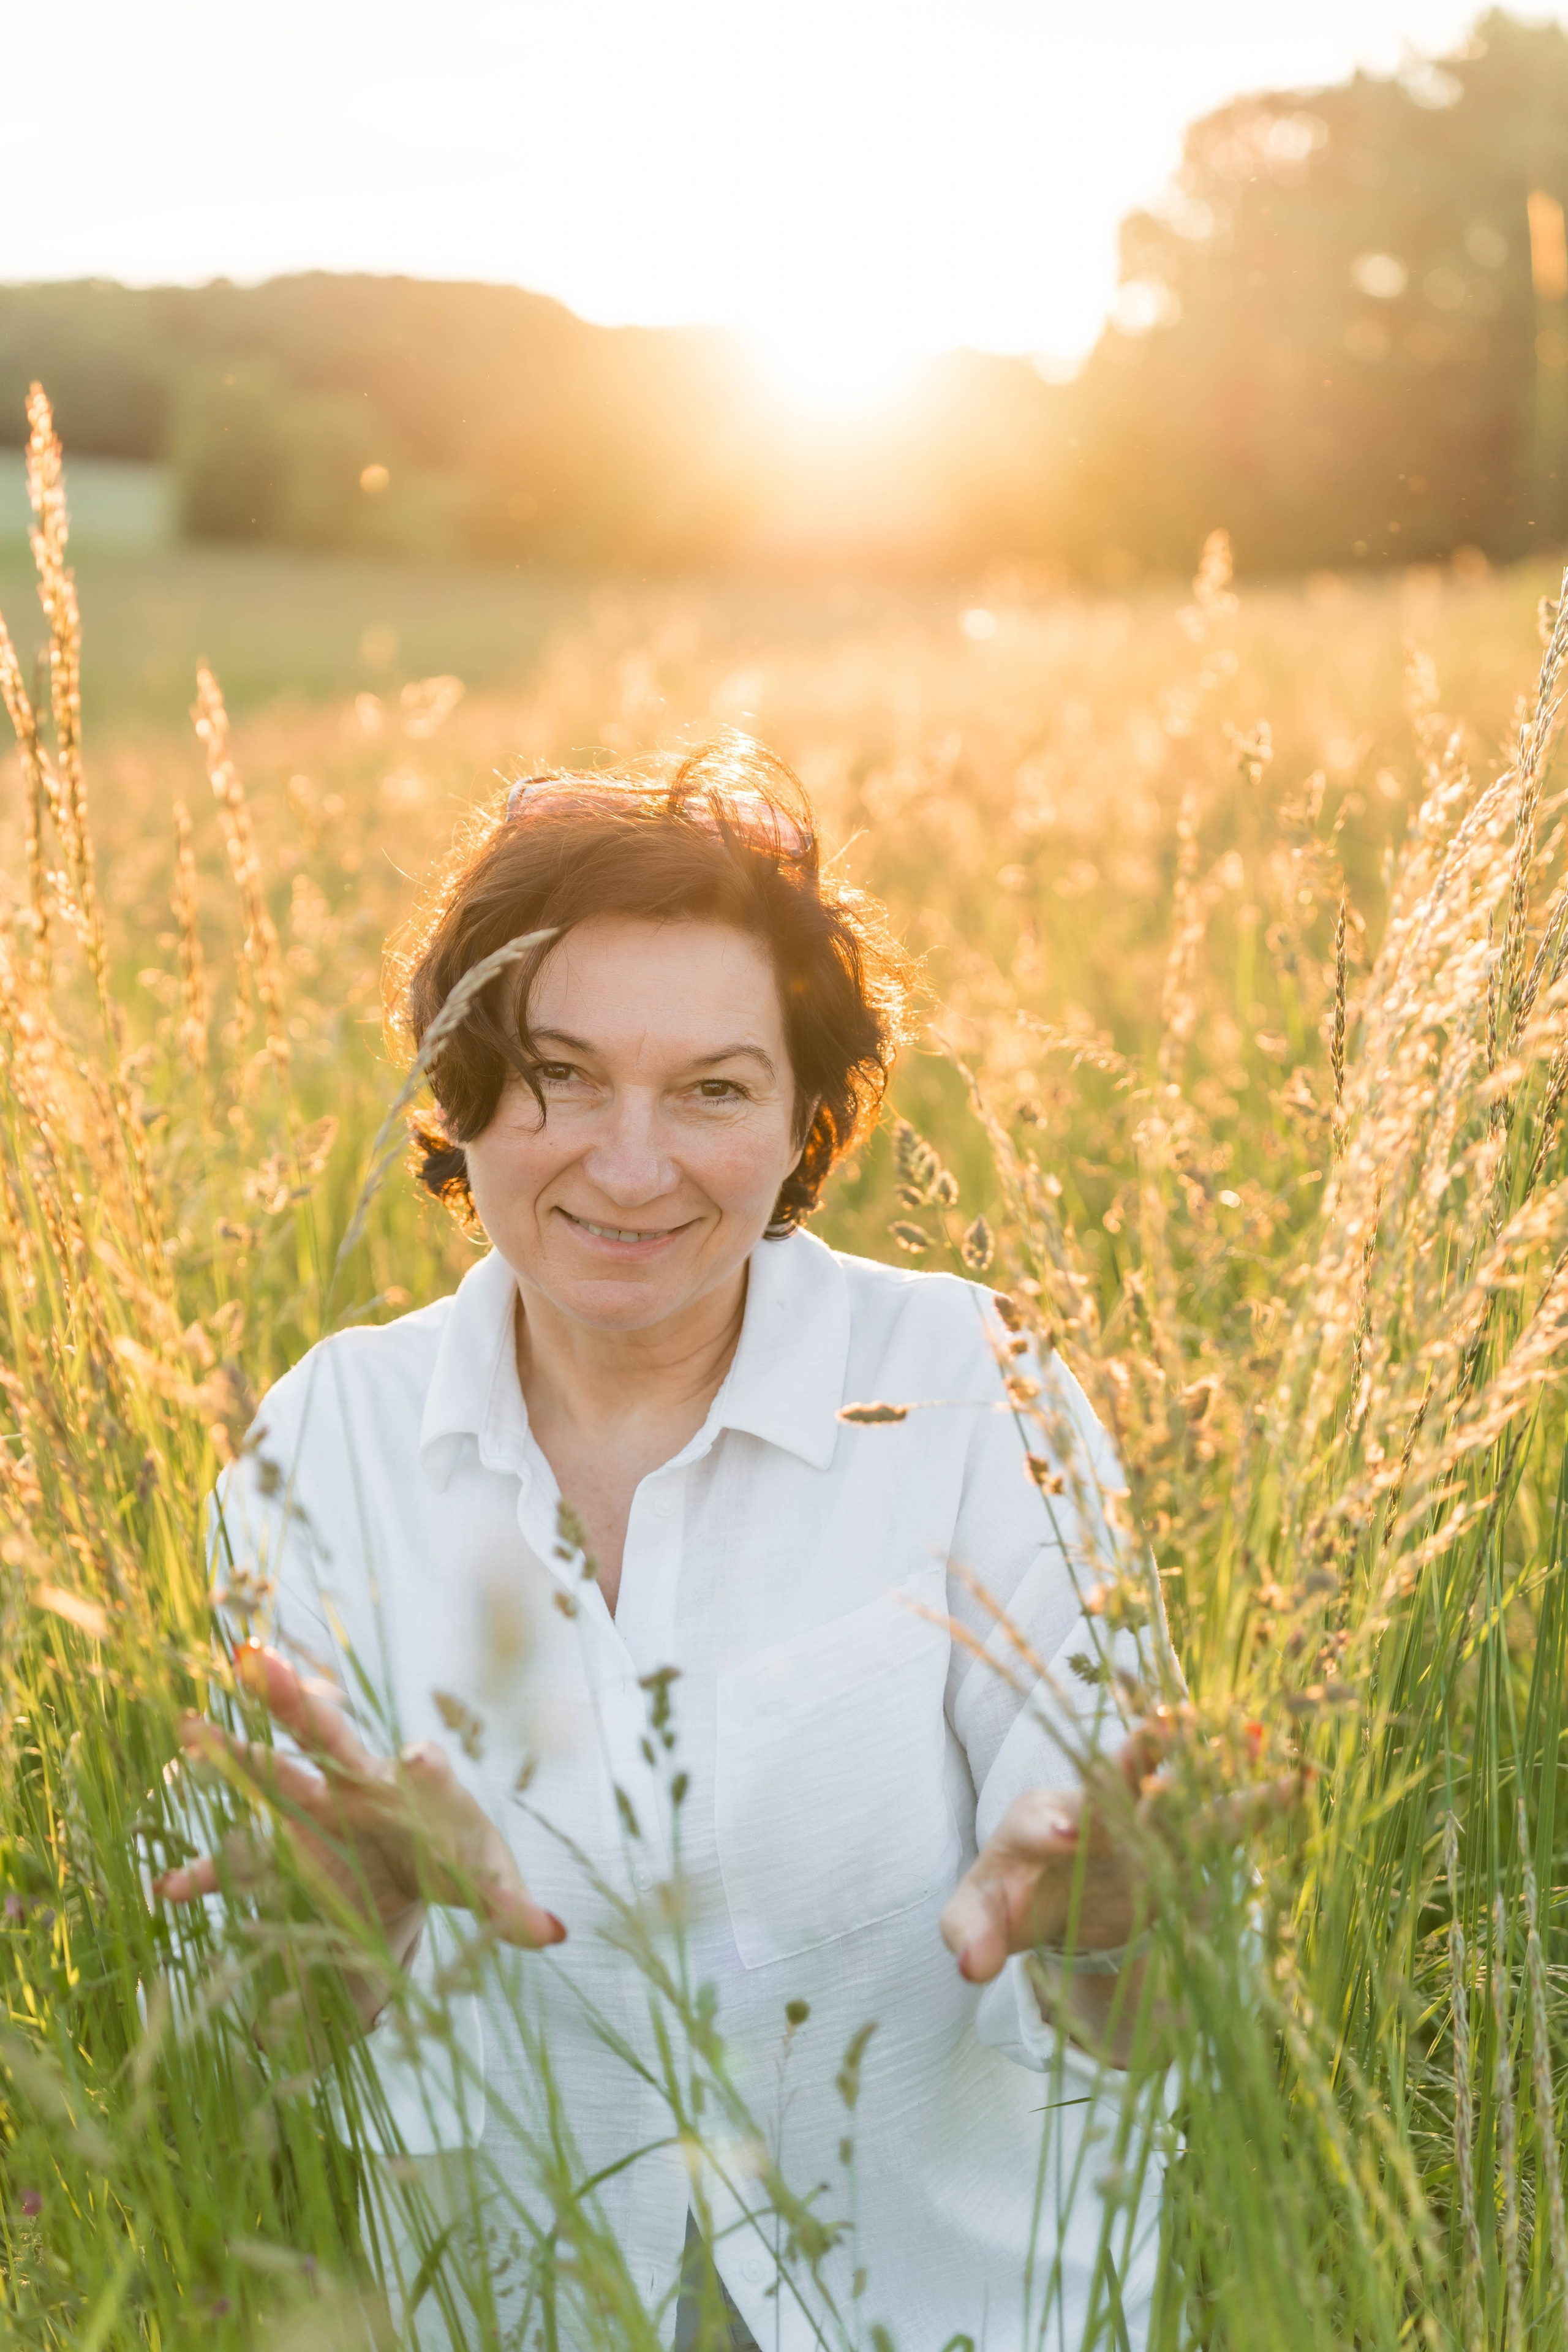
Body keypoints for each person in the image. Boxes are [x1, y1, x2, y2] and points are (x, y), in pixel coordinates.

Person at [156, 739, 1174, 2351]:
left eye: (713, 1088)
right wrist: (335, 1934)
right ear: (463, 1089)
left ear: (803, 1123)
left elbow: (1163, 2020)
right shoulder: (327, 1445)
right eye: (561, 1076)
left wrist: (1117, 1920)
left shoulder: (977, 1392)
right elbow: (229, 2068)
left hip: (943, 2314)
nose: (631, 1167)